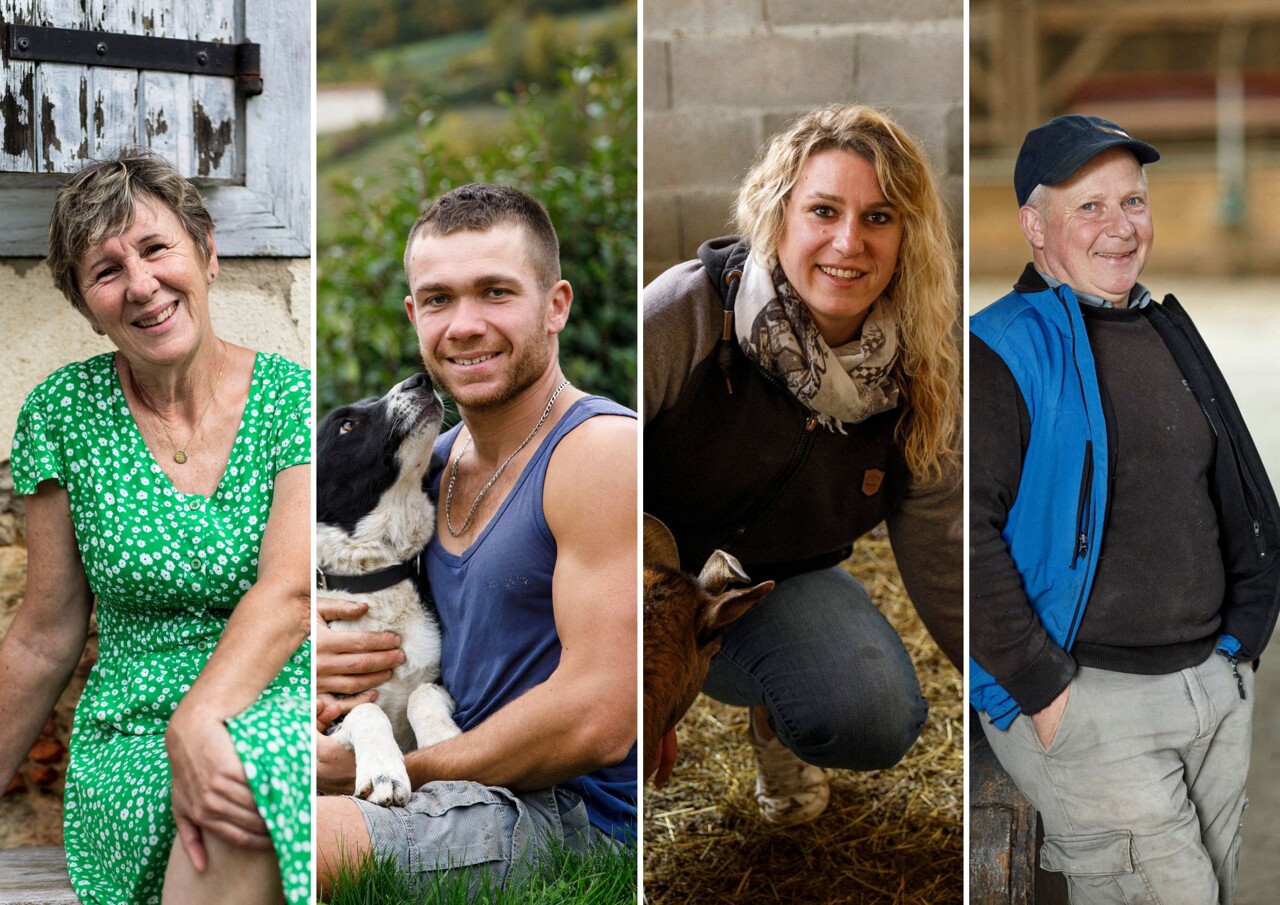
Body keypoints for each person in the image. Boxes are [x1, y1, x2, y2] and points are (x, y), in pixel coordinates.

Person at [970, 114, 1280, 903]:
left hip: (1210, 683)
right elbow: (957, 535)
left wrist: (1242, 639)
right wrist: (1042, 689)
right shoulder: (997, 348)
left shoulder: (1162, 326)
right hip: (1089, 697)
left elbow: (1230, 484)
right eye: (1090, 207)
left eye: (1133, 202)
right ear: (1034, 226)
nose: (1120, 227)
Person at [0, 149, 311, 904]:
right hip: (136, 738)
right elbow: (43, 636)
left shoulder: (293, 399)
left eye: (155, 247)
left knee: (250, 769)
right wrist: (179, 730)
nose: (140, 285)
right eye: (106, 271)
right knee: (243, 793)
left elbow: (291, 592)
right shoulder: (62, 415)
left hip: (279, 699)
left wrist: (199, 720)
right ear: (86, 303)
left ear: (206, 253)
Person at [643, 104, 963, 826]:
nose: (848, 242)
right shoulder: (683, 316)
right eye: (824, 210)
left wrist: (1012, 693)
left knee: (875, 714)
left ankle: (771, 716)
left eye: (879, 217)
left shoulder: (925, 371)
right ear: (777, 214)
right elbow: (585, 481)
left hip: (775, 583)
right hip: (639, 584)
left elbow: (948, 555)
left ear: (908, 235)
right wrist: (650, 666)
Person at [314, 184, 638, 894]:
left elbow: (600, 717)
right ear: (413, 314)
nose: (464, 324)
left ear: (557, 305)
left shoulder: (599, 452)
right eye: (438, 299)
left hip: (563, 807)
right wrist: (324, 672)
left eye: (495, 292)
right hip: (436, 771)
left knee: (274, 834)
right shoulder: (423, 469)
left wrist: (388, 766)